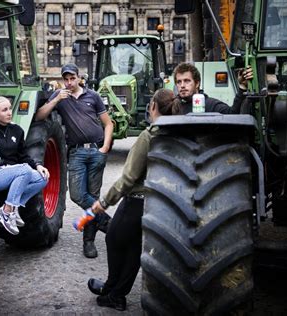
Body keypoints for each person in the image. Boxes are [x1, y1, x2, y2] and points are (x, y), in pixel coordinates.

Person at [88, 88, 180, 311]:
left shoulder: (148, 136)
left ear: (153, 107)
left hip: (137, 201)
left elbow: (128, 178)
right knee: (134, 248)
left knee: (114, 239)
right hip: (158, 203)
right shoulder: (176, 134)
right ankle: (115, 292)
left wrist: (105, 201)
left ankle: (114, 290)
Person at [35, 63, 114, 258]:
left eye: (72, 78)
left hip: (96, 150)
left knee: (92, 197)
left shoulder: (93, 96)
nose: (69, 82)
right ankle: (111, 225)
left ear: (79, 78)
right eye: (66, 79)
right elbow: (39, 116)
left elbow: (108, 124)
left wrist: (104, 148)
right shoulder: (60, 97)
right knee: (78, 195)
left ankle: (89, 243)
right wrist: (55, 100)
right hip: (77, 153)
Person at [0, 96, 50, 235]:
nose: (9, 112)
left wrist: (38, 166)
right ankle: (6, 211)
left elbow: (23, 156)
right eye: (4, 110)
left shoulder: (17, 130)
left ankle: (11, 208)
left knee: (43, 178)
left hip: (9, 172)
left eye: (10, 108)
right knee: (24, 170)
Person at [173, 62, 253, 114]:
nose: (182, 85)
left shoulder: (211, 105)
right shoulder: (173, 107)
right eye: (179, 82)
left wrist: (242, 87)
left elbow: (233, 114)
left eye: (187, 81)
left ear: (197, 83)